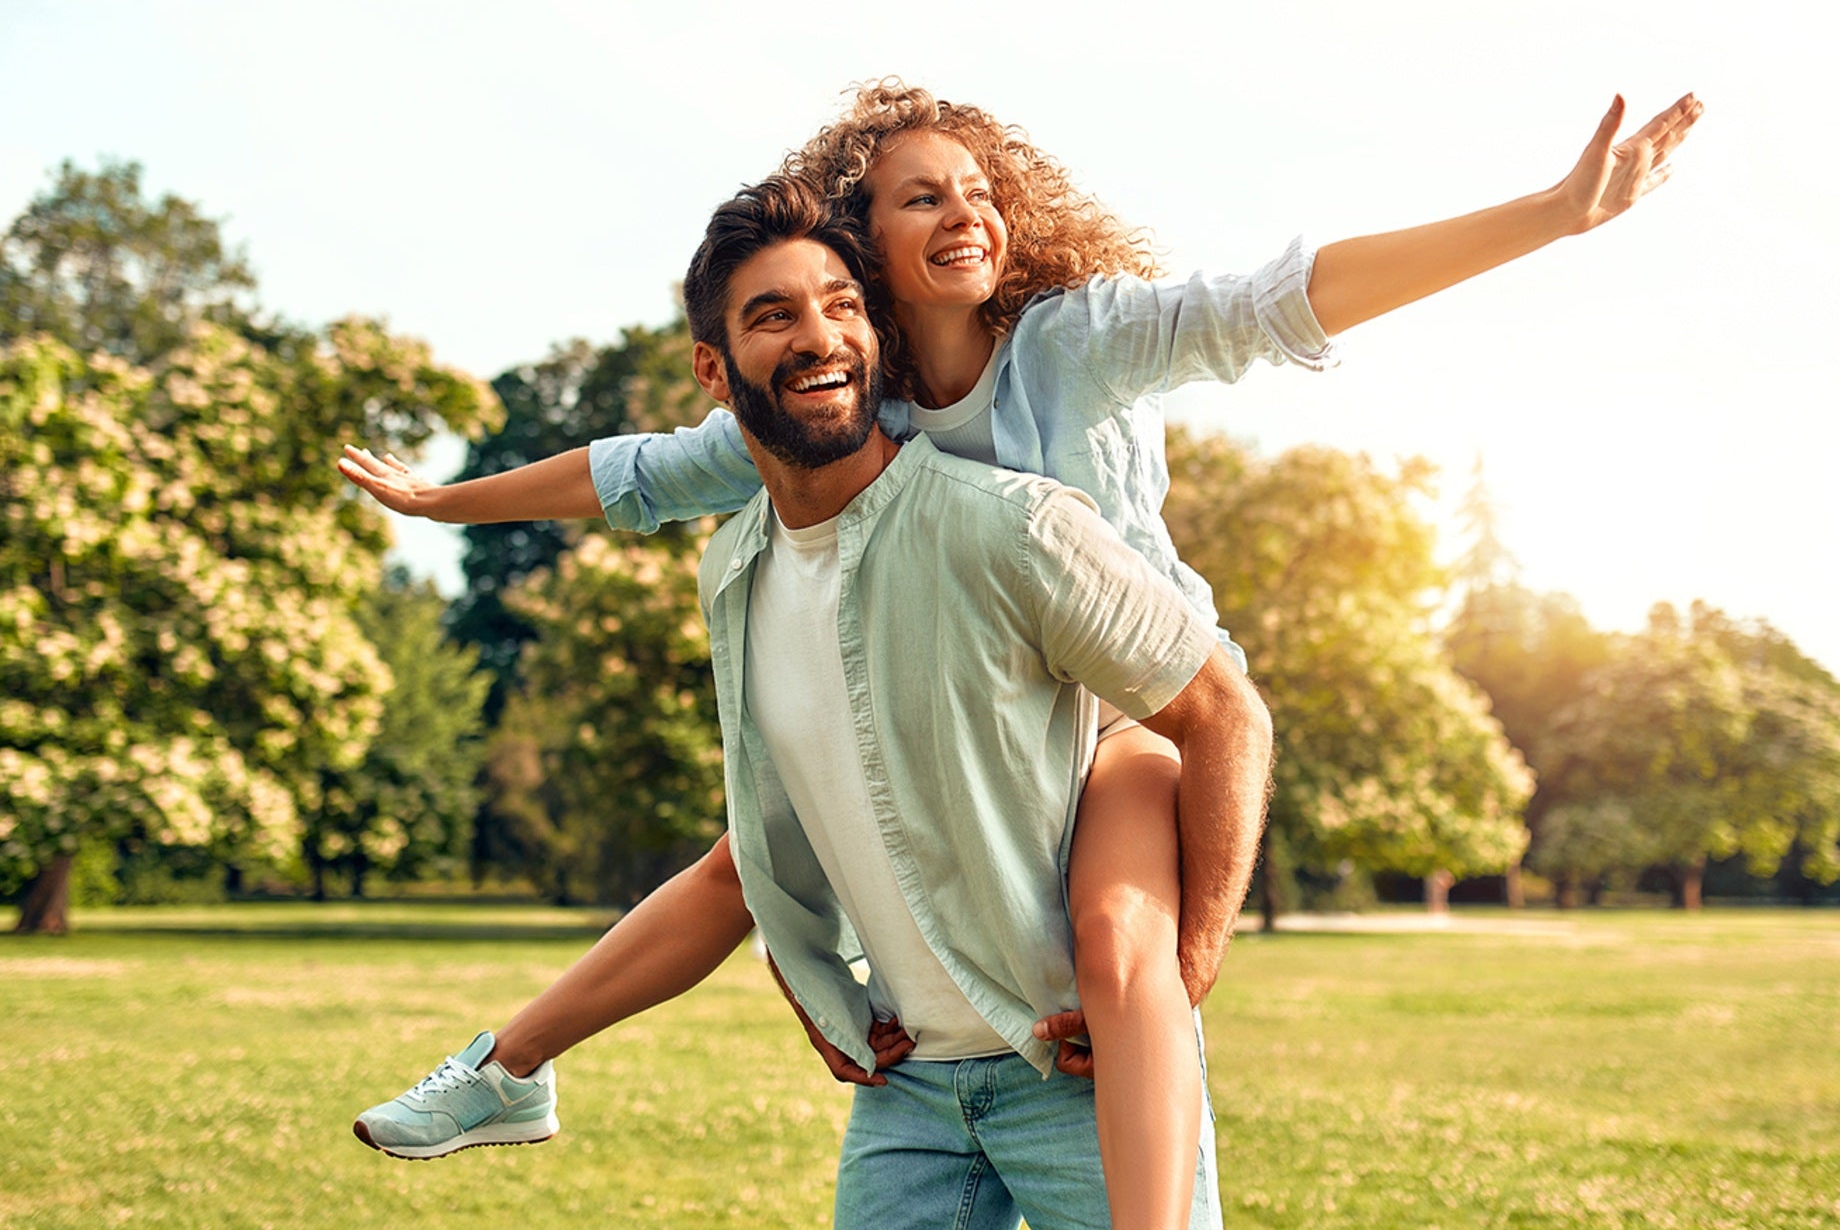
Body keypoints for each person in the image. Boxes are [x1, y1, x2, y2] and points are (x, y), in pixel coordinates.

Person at [345, 81, 1702, 1226]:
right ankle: (510, 1063)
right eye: (921, 196)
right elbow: (641, 471)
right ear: (865, 240)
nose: (966, 213)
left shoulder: (1076, 340)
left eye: (980, 190)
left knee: (1118, 941)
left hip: (1127, 717)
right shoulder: (848, 390)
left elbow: (1284, 301)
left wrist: (1551, 213)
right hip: (978, 725)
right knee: (748, 859)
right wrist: (444, 503)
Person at [370, 175, 1276, 1227]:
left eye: (842, 304)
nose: (817, 336)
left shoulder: (1017, 526)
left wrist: (1187, 964)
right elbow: (770, 840)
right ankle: (509, 1065)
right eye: (774, 315)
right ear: (713, 370)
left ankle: (510, 1063)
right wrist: (814, 981)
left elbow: (1224, 713)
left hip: (1073, 1067)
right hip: (909, 1090)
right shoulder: (735, 573)